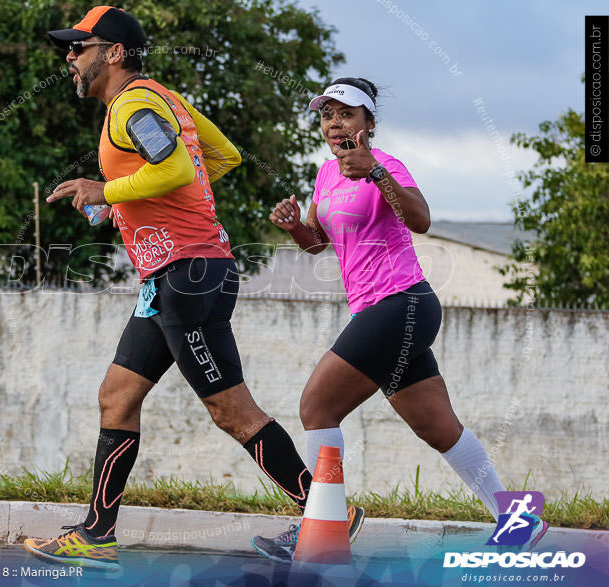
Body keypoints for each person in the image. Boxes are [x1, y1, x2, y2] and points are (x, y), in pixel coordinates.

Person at [22, 7, 363, 569]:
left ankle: (326, 511)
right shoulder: (165, 99)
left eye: (79, 47)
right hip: (171, 277)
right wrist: (136, 199)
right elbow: (219, 157)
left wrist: (107, 190)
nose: (69, 57)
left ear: (114, 53)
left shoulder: (132, 105)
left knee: (231, 411)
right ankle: (96, 534)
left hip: (189, 273)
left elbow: (177, 169)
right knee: (117, 394)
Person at [251, 77, 547, 562]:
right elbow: (321, 245)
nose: (334, 123)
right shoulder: (325, 175)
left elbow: (421, 219)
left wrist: (375, 174)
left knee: (316, 407)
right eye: (326, 115)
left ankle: (320, 530)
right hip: (379, 311)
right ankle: (517, 520)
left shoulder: (387, 165)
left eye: (345, 113)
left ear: (369, 122)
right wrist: (293, 227)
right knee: (438, 428)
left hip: (403, 302)